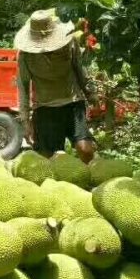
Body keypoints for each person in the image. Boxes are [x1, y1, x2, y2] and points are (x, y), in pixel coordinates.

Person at [14, 9, 96, 164]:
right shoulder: (25, 55)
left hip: (72, 103)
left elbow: (80, 70)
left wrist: (90, 92)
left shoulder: (69, 43)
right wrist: (25, 121)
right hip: (45, 108)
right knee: (48, 159)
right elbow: (23, 87)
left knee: (85, 150)